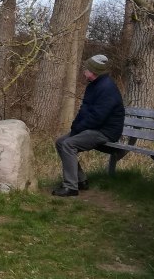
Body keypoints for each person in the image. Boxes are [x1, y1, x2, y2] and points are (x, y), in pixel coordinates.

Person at [51, 54, 125, 197]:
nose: (84, 71)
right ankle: (80, 180)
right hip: (93, 128)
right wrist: (75, 127)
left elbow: (98, 117)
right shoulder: (93, 86)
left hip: (106, 132)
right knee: (61, 142)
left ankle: (71, 187)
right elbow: (84, 109)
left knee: (69, 145)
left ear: (94, 72)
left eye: (86, 69)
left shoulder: (107, 88)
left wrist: (79, 130)